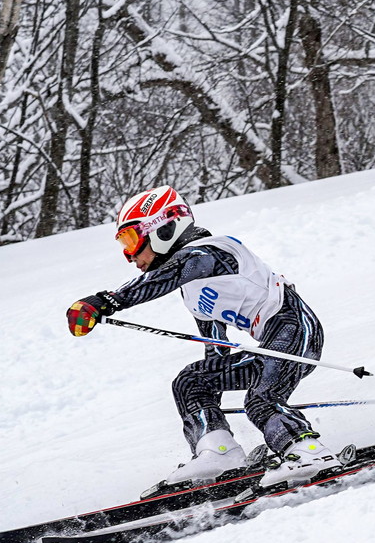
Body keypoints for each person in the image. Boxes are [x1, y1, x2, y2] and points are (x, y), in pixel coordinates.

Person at [67, 185, 343, 490]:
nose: (128, 255)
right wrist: (208, 401)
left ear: (164, 228)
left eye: (132, 240)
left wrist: (107, 301)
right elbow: (217, 350)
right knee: (192, 382)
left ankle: (309, 453)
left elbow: (163, 277)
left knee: (261, 399)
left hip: (296, 329)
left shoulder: (208, 252)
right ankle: (220, 451)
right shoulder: (193, 291)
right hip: (272, 343)